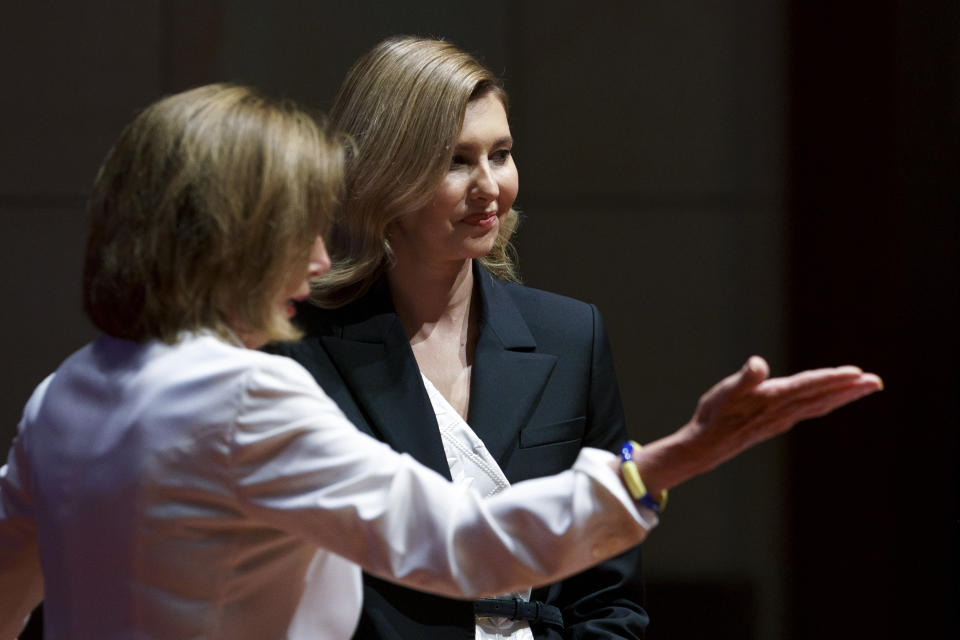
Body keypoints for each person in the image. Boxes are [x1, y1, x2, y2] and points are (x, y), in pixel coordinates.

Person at [0, 84, 879, 640]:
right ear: (229, 238)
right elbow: (471, 545)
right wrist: (687, 450)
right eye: (296, 228)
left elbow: (6, 597)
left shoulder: (64, 393)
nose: (315, 259)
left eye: (501, 153)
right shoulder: (247, 394)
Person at [266, 37, 880, 640]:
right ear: (384, 172)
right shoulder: (300, 347)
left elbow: (608, 596)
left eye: (500, 154)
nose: (489, 187)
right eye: (456, 160)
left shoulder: (570, 334)